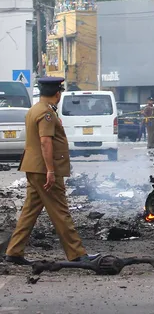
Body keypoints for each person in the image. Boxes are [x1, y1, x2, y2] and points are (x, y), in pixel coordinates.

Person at [4, 77, 98, 265]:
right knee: (60, 210)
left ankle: (14, 251)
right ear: (58, 93)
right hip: (43, 170)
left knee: (29, 211)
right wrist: (51, 171)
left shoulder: (35, 110)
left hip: (33, 167)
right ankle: (77, 254)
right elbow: (45, 141)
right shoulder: (46, 114)